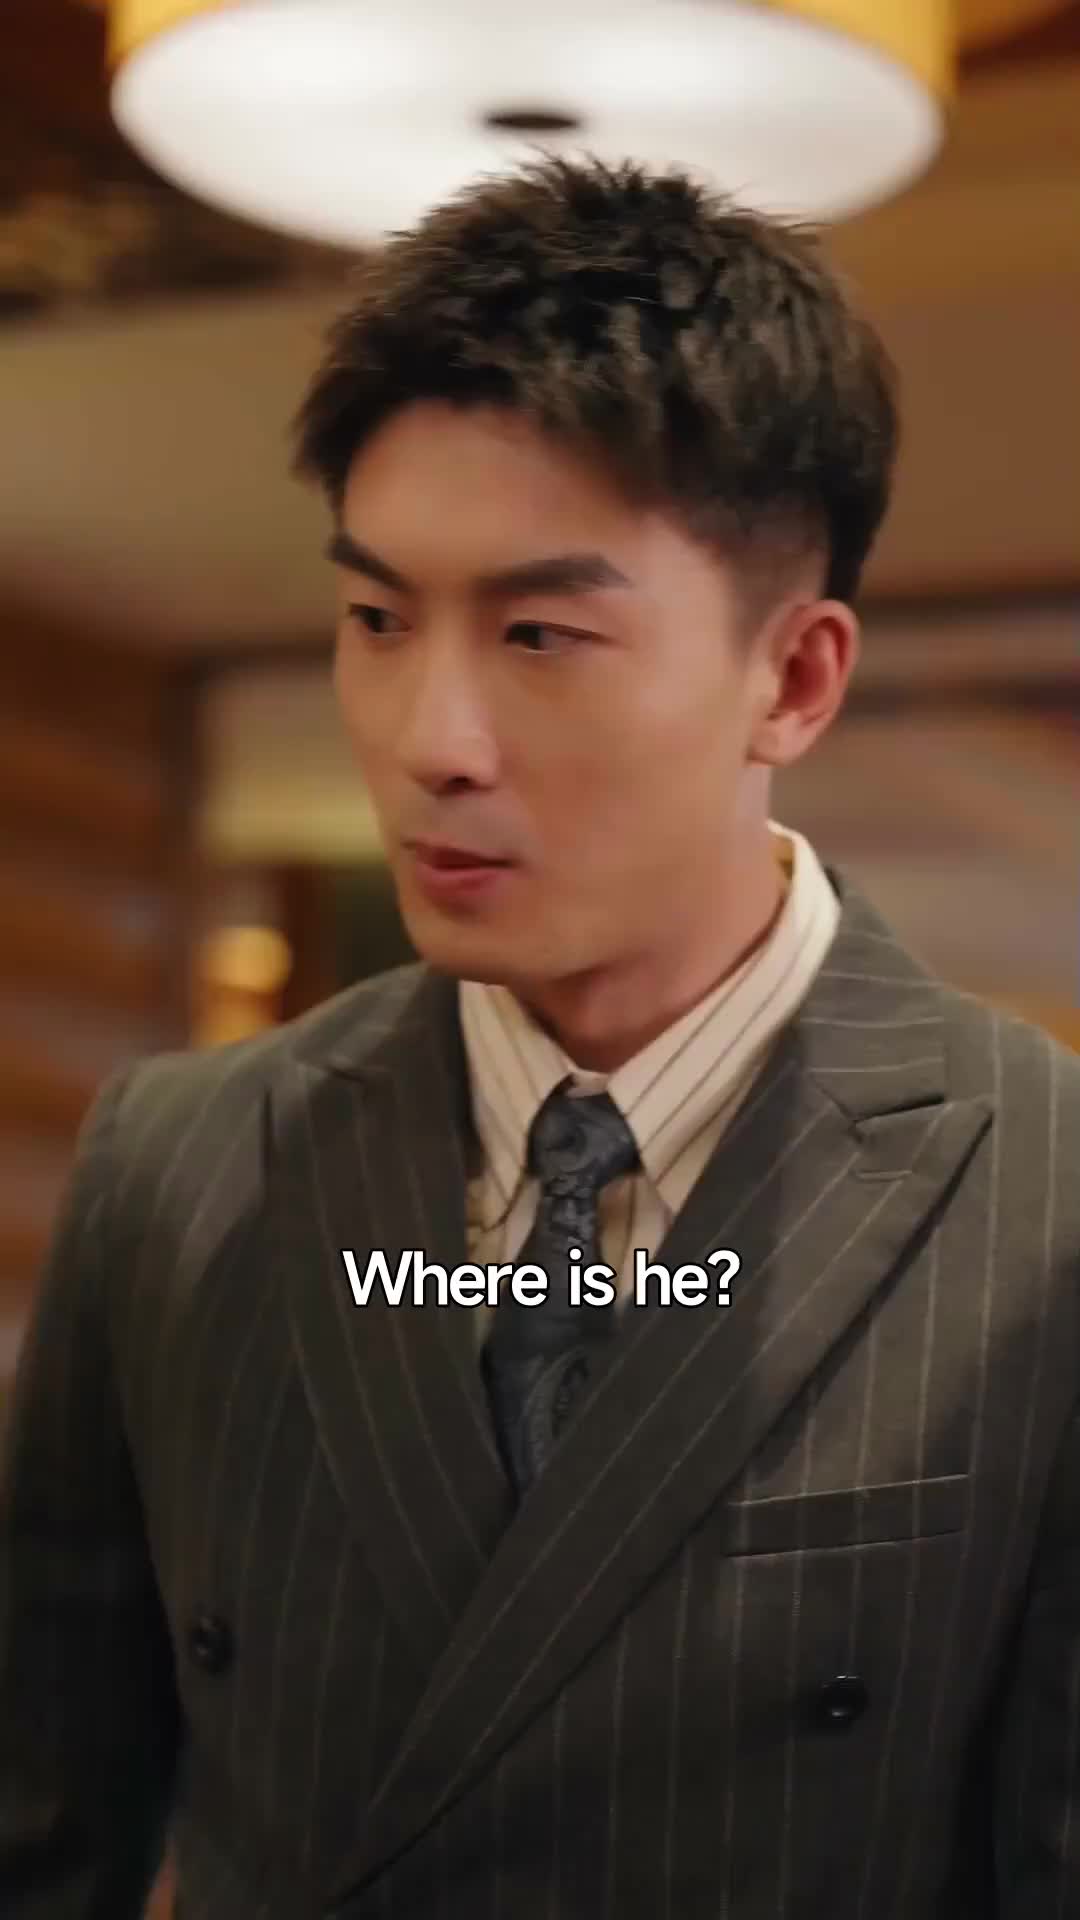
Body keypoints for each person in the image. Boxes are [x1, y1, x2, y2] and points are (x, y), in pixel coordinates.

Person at [1, 153, 1078, 1920]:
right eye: (373, 619)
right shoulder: (178, 1166)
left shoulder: (1046, 1198)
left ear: (795, 678)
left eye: (542, 633)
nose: (432, 738)